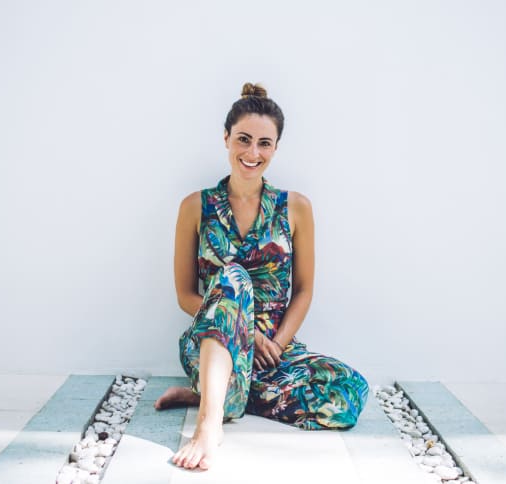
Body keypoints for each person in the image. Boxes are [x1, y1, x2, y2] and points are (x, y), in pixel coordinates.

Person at [154, 82, 370, 471]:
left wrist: (275, 343)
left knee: (348, 392)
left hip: (275, 350)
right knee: (233, 276)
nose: (253, 153)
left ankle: (216, 394)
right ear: (226, 138)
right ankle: (209, 424)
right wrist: (244, 332)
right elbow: (186, 295)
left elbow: (304, 290)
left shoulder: (296, 208)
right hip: (215, 338)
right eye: (243, 139)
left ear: (276, 147)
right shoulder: (195, 207)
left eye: (264, 143)